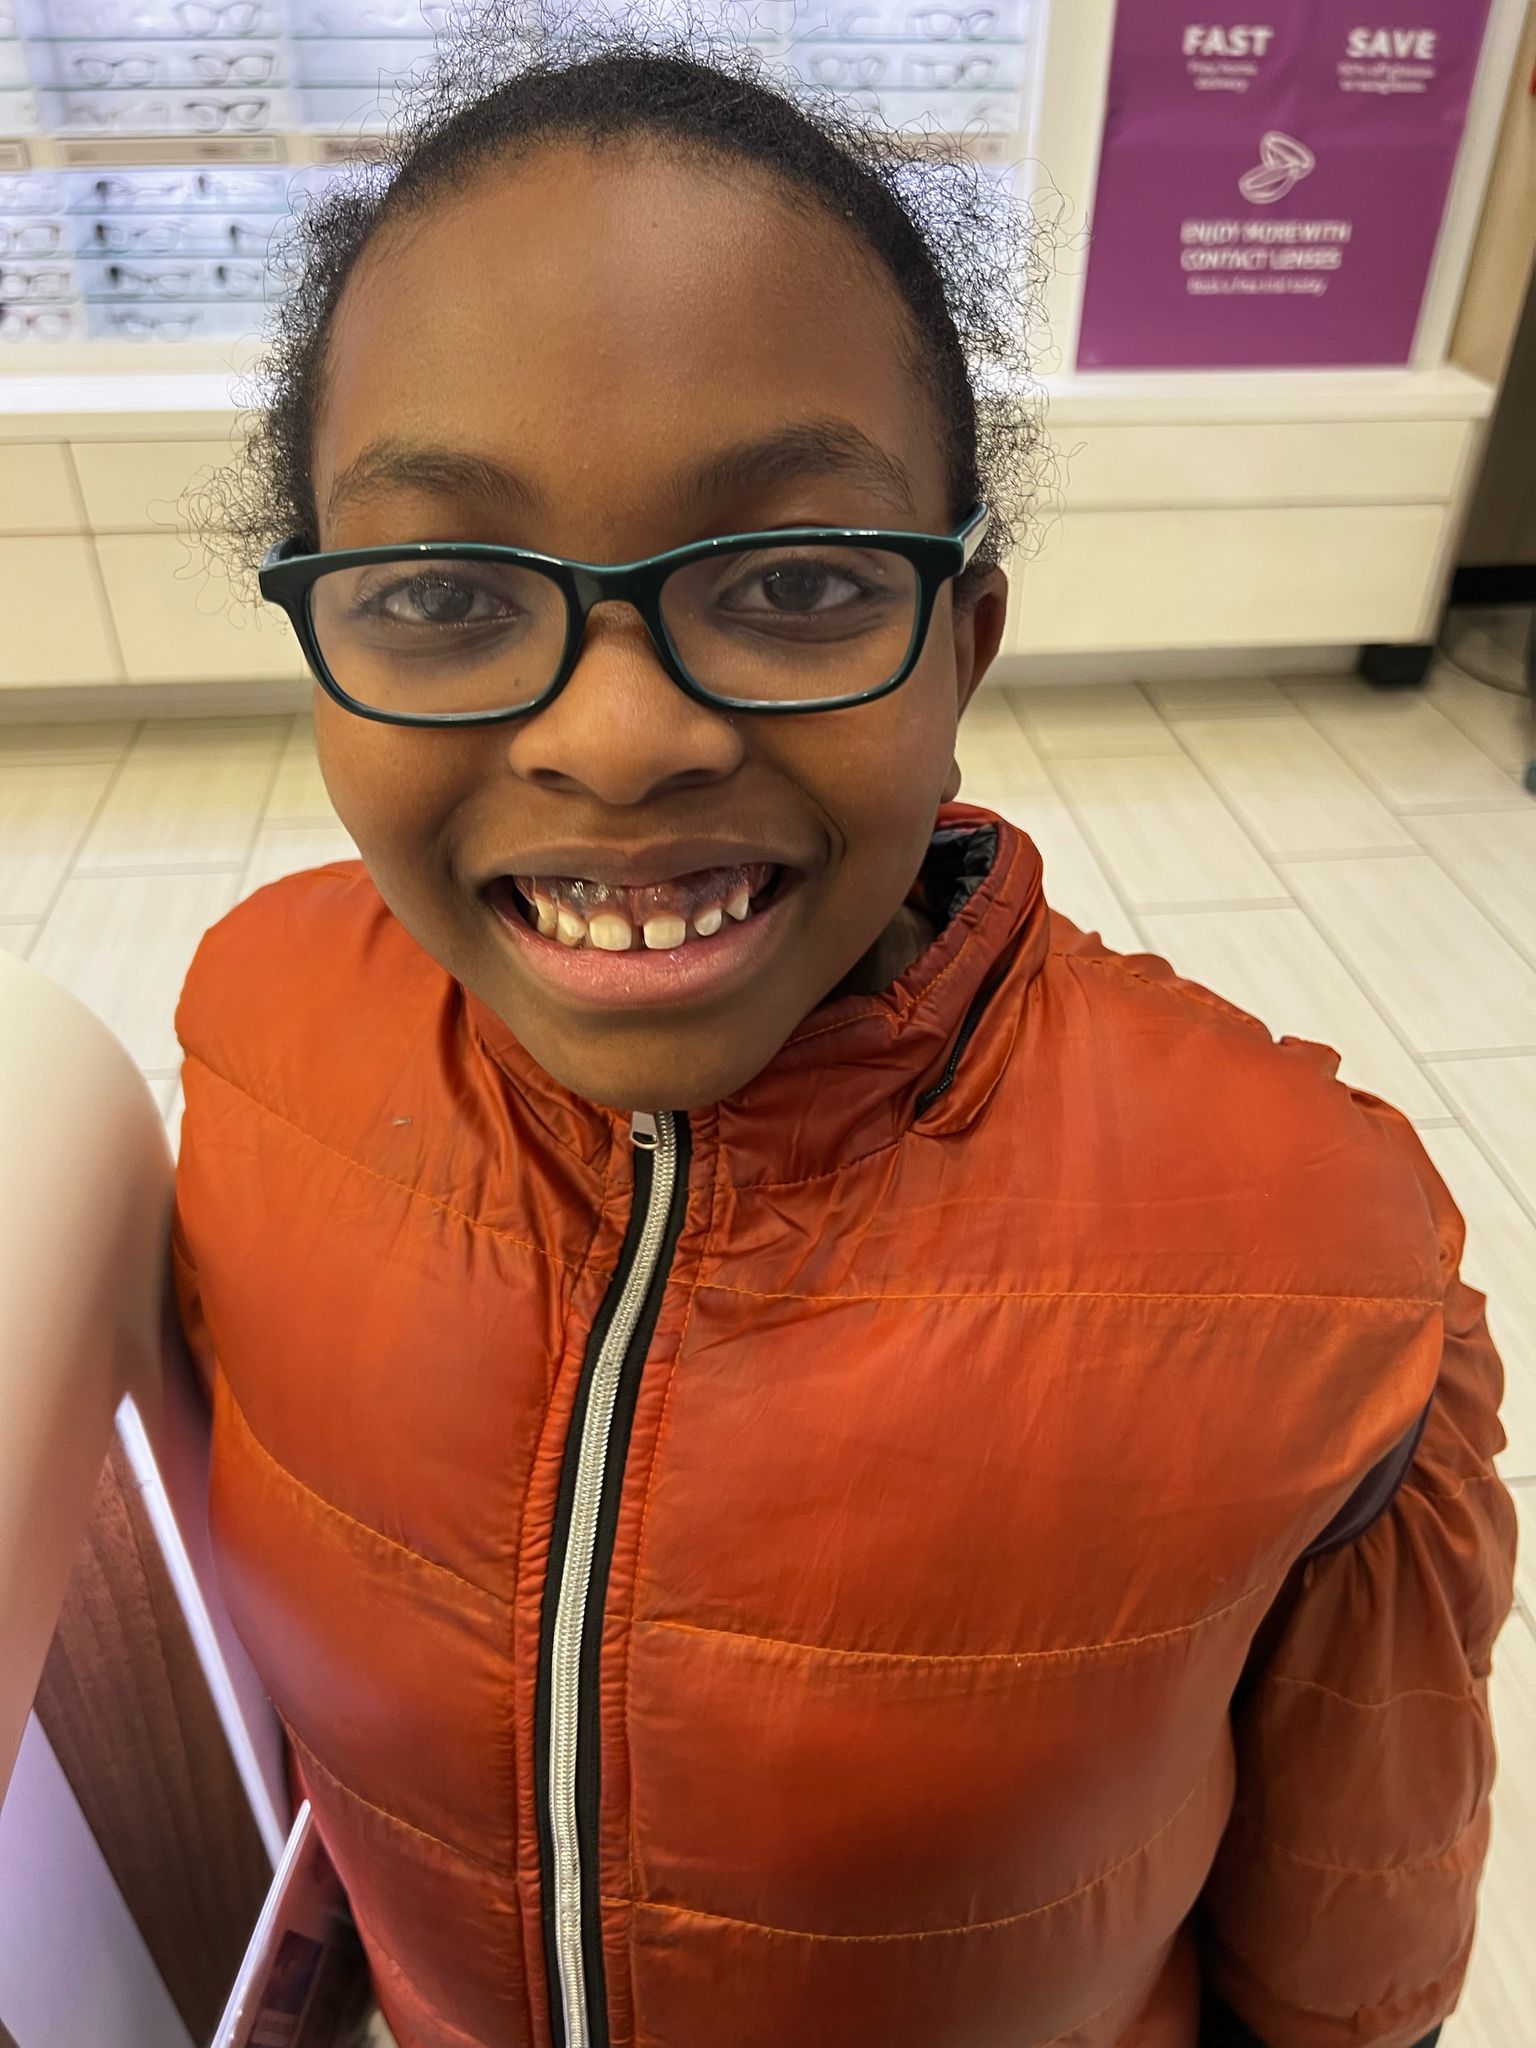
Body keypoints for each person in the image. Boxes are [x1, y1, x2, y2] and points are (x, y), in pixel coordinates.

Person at [173, 9, 1518, 2047]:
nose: (619, 736)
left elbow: (1354, 1947)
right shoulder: (260, 1030)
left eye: (797, 582)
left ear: (960, 642)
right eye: (442, 593)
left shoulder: (1311, 1250)